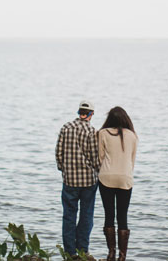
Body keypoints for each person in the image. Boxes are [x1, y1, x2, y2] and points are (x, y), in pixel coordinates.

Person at [56, 100, 100, 259]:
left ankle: (70, 252)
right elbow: (96, 159)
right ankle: (83, 249)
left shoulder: (65, 128)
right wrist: (96, 171)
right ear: (91, 114)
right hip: (89, 181)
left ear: (78, 112)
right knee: (86, 215)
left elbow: (58, 154)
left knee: (68, 215)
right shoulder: (92, 131)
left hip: (69, 180)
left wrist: (65, 170)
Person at [98, 106, 138, 261]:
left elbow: (100, 157)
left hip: (106, 177)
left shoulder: (102, 133)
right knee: (123, 216)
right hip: (125, 178)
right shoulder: (133, 136)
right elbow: (132, 160)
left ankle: (111, 253)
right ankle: (122, 256)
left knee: (109, 215)